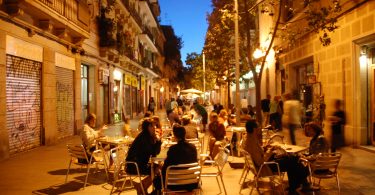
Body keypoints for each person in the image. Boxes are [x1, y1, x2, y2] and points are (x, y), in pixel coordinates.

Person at [243, 120, 316, 194]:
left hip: (266, 163)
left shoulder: (249, 138)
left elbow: (257, 154)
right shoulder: (252, 143)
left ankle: (296, 186)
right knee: (293, 161)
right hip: (265, 167)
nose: (260, 128)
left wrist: (265, 147)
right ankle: (301, 183)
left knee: (292, 158)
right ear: (254, 129)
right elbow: (260, 162)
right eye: (258, 127)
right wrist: (270, 151)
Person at [152, 125, 198, 194]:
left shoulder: (173, 149)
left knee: (156, 181)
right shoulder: (193, 147)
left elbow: (166, 168)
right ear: (184, 134)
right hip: (191, 183)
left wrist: (160, 169)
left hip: (175, 184)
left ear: (175, 136)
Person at [126, 119, 162, 194]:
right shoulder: (143, 138)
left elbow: (155, 154)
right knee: (157, 168)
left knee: (158, 167)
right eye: (151, 126)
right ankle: (142, 187)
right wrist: (158, 141)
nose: (154, 127)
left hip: (141, 163)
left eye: (154, 125)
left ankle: (144, 188)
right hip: (133, 165)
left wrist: (157, 141)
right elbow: (153, 153)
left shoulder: (148, 136)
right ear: (147, 128)